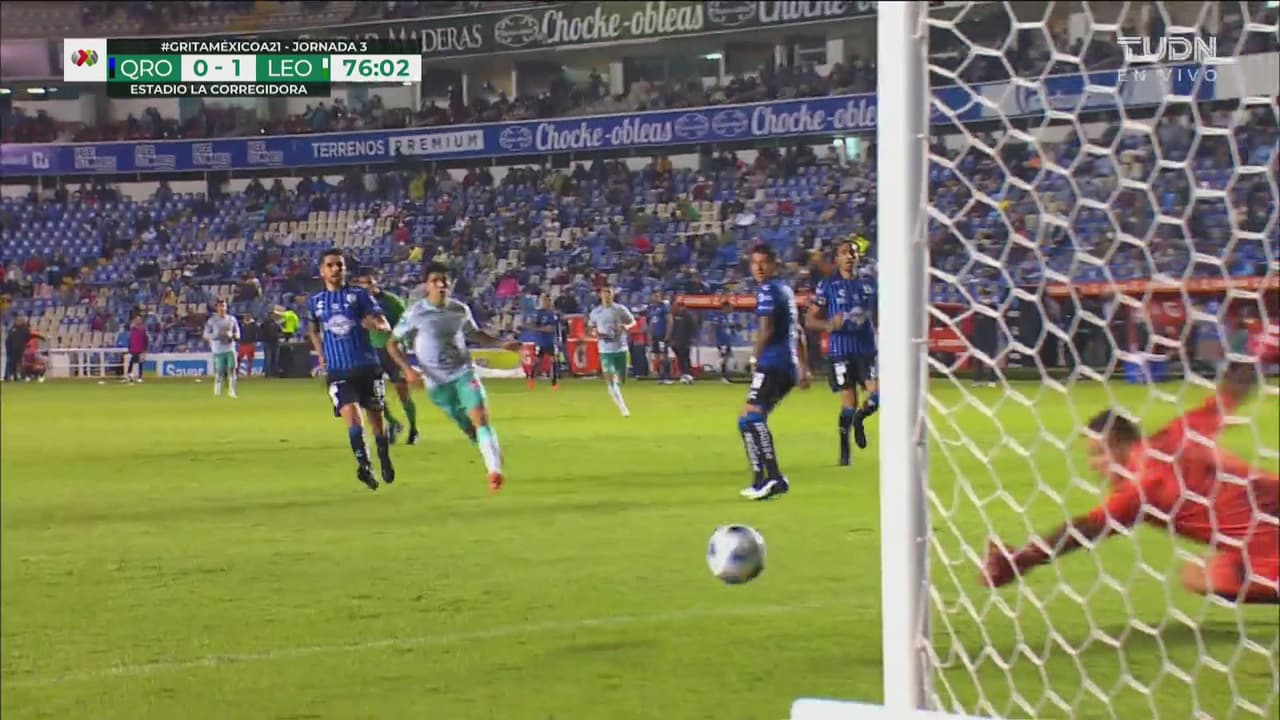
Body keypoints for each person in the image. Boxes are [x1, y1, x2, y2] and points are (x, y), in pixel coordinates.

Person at [981, 361, 1279, 604]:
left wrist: (1024, 558)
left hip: (1268, 544)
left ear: (1120, 445)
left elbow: (1086, 528)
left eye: (1098, 453)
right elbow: (1230, 393)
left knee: (1198, 575)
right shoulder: (1178, 432)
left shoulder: (1142, 486)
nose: (1093, 465)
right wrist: (1260, 355)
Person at [385, 262, 521, 493]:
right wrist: (407, 370)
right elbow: (392, 343)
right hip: (436, 382)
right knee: (467, 426)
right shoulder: (415, 313)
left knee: (481, 418)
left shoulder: (460, 310)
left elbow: (474, 334)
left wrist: (502, 344)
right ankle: (486, 447)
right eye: (435, 281)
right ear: (427, 285)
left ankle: (494, 471)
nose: (441, 285)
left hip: (463, 372)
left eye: (444, 281)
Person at [307, 249, 395, 491]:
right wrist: (322, 355)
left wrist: (375, 324)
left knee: (376, 422)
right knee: (353, 420)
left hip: (367, 368)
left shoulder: (359, 295)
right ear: (322, 271)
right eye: (330, 265)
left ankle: (384, 456)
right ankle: (365, 466)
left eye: (340, 265)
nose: (336, 269)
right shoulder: (316, 302)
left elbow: (384, 323)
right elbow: (313, 329)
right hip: (339, 371)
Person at [738, 243, 810, 501]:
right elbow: (798, 331)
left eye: (763, 263)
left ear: (774, 264)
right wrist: (803, 366)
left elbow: (766, 329)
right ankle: (760, 479)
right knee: (745, 420)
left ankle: (775, 478)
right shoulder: (785, 290)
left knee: (753, 418)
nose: (758, 268)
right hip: (786, 364)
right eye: (754, 263)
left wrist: (754, 356)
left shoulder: (768, 290)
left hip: (774, 363)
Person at [807, 240, 879, 466]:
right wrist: (829, 325)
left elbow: (879, 312)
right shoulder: (827, 285)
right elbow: (810, 320)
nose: (849, 257)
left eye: (853, 253)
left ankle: (860, 419)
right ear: (837, 259)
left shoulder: (870, 283)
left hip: (866, 349)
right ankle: (845, 451)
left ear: (859, 258)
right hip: (841, 352)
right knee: (849, 402)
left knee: (878, 395)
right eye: (844, 253)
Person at [357, 272, 419, 446]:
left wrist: (400, 342)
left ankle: (413, 429)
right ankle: (393, 422)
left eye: (368, 282)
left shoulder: (391, 301)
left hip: (392, 349)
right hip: (372, 350)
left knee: (402, 391)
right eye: (362, 283)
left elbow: (406, 323)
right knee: (373, 394)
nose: (365, 286)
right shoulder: (359, 302)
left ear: (376, 282)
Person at [587, 286, 637, 417]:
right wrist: (596, 334)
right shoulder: (596, 312)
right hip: (605, 350)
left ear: (612, 295)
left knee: (621, 378)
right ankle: (623, 407)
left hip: (621, 348)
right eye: (604, 293)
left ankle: (616, 388)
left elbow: (633, 322)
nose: (606, 295)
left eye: (609, 293)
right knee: (610, 377)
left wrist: (626, 326)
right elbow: (591, 328)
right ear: (600, 295)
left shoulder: (620, 309)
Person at [202, 299, 241, 398]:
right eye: (220, 306)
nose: (222, 308)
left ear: (226, 307)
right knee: (219, 371)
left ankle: (232, 391)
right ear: (217, 308)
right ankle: (217, 391)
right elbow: (205, 334)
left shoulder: (232, 319)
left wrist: (234, 336)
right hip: (218, 350)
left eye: (224, 306)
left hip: (230, 348)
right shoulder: (212, 320)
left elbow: (237, 332)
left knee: (232, 370)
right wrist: (217, 335)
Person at [527, 293, 561, 390]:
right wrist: (536, 326)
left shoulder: (554, 314)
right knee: (537, 361)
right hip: (540, 341)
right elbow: (530, 324)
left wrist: (538, 328)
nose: (546, 302)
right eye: (544, 300)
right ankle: (531, 379)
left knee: (553, 361)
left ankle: (554, 384)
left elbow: (551, 329)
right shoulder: (539, 313)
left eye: (548, 301)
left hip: (551, 341)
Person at [668, 299, 698, 384]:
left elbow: (693, 328)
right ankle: (684, 374)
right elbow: (673, 328)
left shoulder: (688, 316)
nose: (680, 308)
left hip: (685, 341)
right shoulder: (675, 315)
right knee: (680, 358)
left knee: (685, 358)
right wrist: (672, 339)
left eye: (681, 306)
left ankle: (688, 374)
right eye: (678, 306)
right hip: (676, 341)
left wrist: (691, 338)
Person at [646, 291, 672, 383]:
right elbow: (651, 323)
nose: (655, 298)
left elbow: (670, 321)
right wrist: (649, 336)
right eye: (654, 296)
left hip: (662, 335)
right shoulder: (651, 308)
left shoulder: (664, 307)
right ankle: (661, 375)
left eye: (657, 296)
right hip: (655, 336)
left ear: (661, 297)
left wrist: (667, 335)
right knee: (656, 356)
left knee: (663, 356)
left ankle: (667, 376)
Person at [125, 316, 148, 383]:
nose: (137, 321)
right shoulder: (132, 329)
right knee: (133, 362)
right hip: (134, 349)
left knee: (139, 363)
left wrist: (145, 349)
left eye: (139, 319)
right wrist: (130, 348)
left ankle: (138, 376)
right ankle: (130, 374)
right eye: (136, 320)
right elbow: (130, 340)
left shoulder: (143, 329)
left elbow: (146, 340)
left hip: (140, 349)